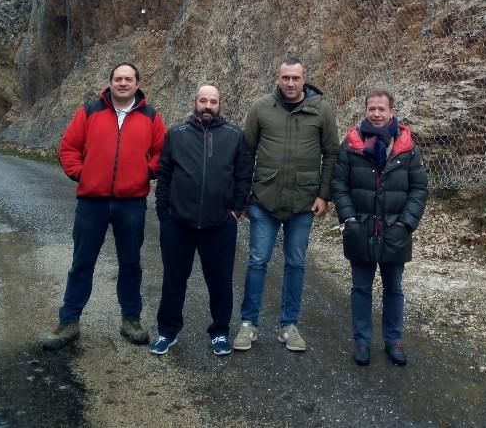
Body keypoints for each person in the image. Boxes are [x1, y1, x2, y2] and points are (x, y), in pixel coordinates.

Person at [41, 62, 167, 350]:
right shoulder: (90, 110)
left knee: (131, 263)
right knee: (82, 263)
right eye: (118, 78)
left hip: (132, 203)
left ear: (137, 83)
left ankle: (131, 319)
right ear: (110, 82)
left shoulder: (150, 116)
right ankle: (69, 322)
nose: (123, 83)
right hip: (92, 202)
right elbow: (69, 147)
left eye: (128, 79)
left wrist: (145, 172)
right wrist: (81, 173)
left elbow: (162, 151)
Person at [233, 56, 339, 353]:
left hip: (303, 202)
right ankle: (248, 324)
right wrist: (243, 197)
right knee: (257, 261)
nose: (290, 83)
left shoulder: (321, 110)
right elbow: (246, 153)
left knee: (296, 263)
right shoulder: (261, 108)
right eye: (285, 78)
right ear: (277, 79)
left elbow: (332, 153)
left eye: (295, 78)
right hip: (264, 200)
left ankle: (288, 325)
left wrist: (323, 195)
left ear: (304, 79)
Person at [150, 84, 252, 357]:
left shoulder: (234, 136)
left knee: (220, 282)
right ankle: (167, 332)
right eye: (203, 100)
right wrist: (164, 213)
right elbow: (164, 175)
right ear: (195, 102)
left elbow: (243, 175)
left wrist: (236, 211)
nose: (208, 105)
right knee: (173, 280)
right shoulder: (176, 134)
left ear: (220, 104)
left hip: (219, 224)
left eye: (213, 101)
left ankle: (220, 332)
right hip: (178, 223)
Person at [331, 89, 428, 367]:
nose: (376, 113)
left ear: (391, 112)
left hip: (395, 231)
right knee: (361, 288)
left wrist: (406, 223)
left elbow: (419, 189)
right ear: (365, 111)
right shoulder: (351, 144)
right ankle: (362, 341)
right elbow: (339, 184)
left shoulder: (408, 148)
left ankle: (393, 340)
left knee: (394, 288)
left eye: (381, 109)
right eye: (371, 108)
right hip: (360, 229)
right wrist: (348, 219)